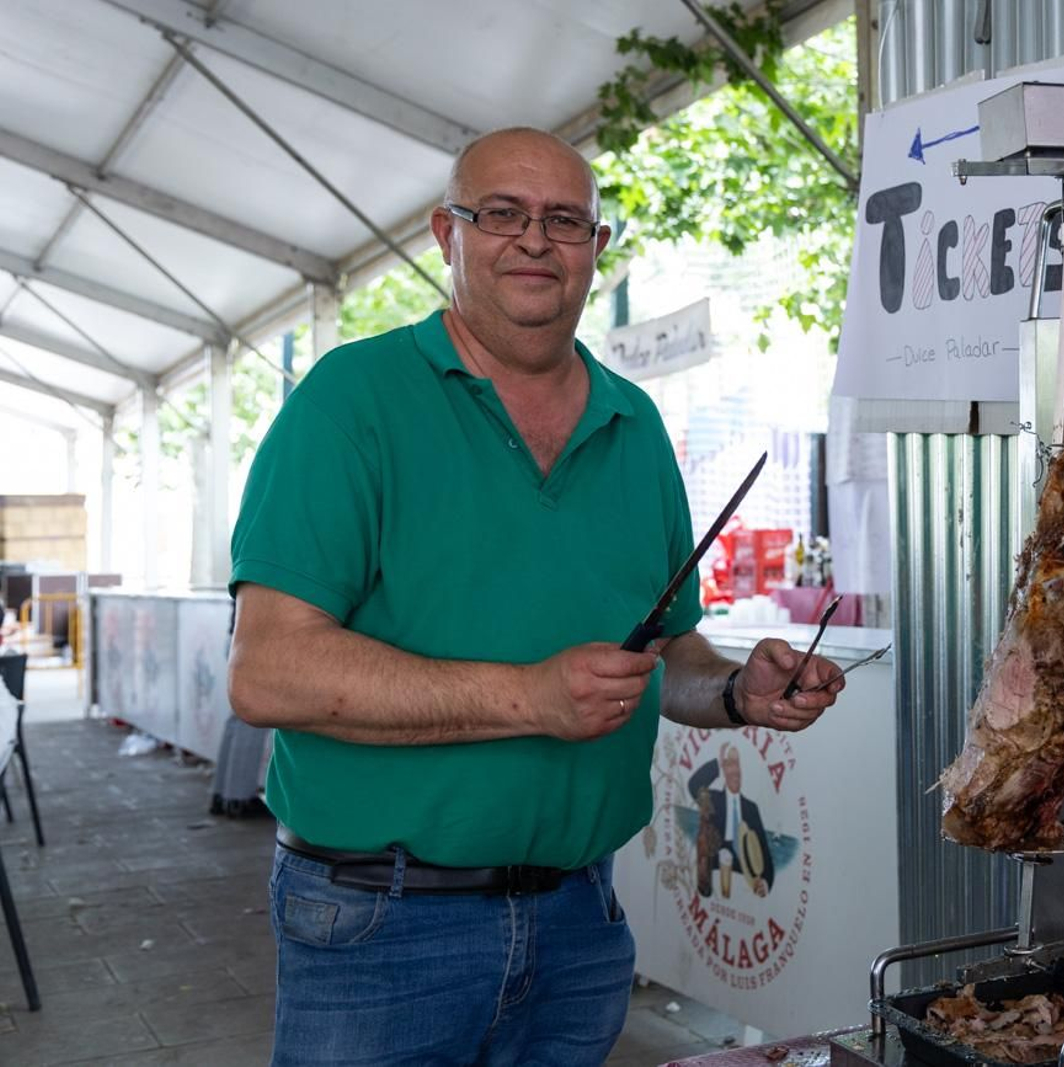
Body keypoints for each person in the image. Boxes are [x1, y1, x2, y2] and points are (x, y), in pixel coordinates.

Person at [227, 126, 844, 1067]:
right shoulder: (352, 399)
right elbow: (268, 671)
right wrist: (528, 697)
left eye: (564, 220)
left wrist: (732, 693)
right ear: (448, 233)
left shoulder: (633, 424)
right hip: (380, 925)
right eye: (502, 214)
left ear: (596, 250)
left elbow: (665, 654)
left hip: (579, 920)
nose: (534, 239)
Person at [687, 743, 775, 898]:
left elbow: (764, 851)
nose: (735, 772)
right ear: (724, 771)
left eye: (737, 767)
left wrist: (765, 882)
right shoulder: (712, 800)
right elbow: (694, 785)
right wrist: (717, 764)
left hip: (744, 874)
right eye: (729, 766)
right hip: (715, 873)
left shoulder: (751, 809)